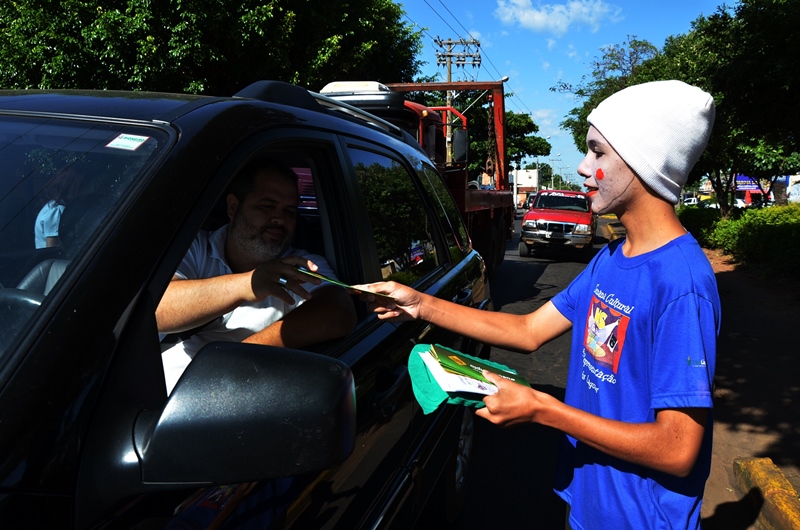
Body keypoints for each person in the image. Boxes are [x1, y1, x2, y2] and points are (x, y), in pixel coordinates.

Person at [354, 80, 719, 529]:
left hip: (641, 518)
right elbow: (528, 332)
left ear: (645, 162)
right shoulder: (612, 257)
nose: (584, 167)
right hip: (589, 503)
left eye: (598, 152)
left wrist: (542, 409)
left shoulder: (682, 283)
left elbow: (678, 450)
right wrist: (419, 303)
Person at [157, 158, 357, 395]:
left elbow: (340, 311)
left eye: (289, 211)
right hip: (147, 398)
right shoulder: (195, 248)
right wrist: (249, 284)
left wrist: (237, 357)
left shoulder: (301, 265)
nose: (279, 219)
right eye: (267, 206)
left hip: (225, 399)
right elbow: (158, 311)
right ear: (233, 207)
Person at [34, 168, 83, 248]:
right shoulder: (57, 211)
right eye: (80, 184)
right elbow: (52, 249)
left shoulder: (51, 207)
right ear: (72, 187)